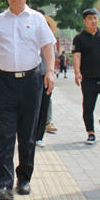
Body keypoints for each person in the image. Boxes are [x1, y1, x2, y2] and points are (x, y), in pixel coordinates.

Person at [0, 0, 56, 200]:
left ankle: (24, 178)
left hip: (30, 82)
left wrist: (50, 71)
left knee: (27, 135)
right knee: (6, 135)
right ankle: (3, 185)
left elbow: (47, 46)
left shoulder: (37, 19)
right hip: (4, 83)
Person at [72, 8, 100, 144]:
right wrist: (77, 73)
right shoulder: (79, 38)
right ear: (85, 21)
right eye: (90, 18)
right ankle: (90, 133)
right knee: (88, 107)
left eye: (95, 18)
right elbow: (77, 56)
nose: (93, 21)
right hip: (88, 79)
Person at [35, 13, 58, 148]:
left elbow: (54, 56)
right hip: (31, 75)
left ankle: (39, 136)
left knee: (44, 105)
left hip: (45, 75)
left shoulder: (51, 40)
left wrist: (51, 73)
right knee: (32, 107)